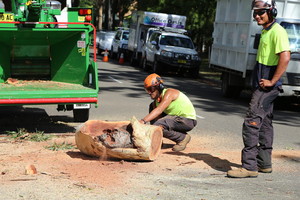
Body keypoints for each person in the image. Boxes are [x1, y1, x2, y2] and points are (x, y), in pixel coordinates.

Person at [227, 0, 290, 178]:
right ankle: (264, 164)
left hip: (266, 88)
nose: (257, 16)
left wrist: (272, 81)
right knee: (265, 124)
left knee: (251, 122)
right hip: (262, 85)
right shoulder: (266, 31)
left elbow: (285, 57)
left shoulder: (278, 31)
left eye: (261, 12)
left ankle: (249, 166)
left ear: (272, 12)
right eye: (255, 12)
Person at [140, 73, 197, 152]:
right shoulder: (155, 102)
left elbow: (159, 110)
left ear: (159, 86)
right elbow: (157, 119)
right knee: (155, 119)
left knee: (157, 125)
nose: (149, 93)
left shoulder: (169, 93)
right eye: (147, 90)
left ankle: (182, 138)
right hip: (174, 119)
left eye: (151, 89)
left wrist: (143, 121)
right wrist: (158, 130)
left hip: (187, 120)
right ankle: (158, 139)